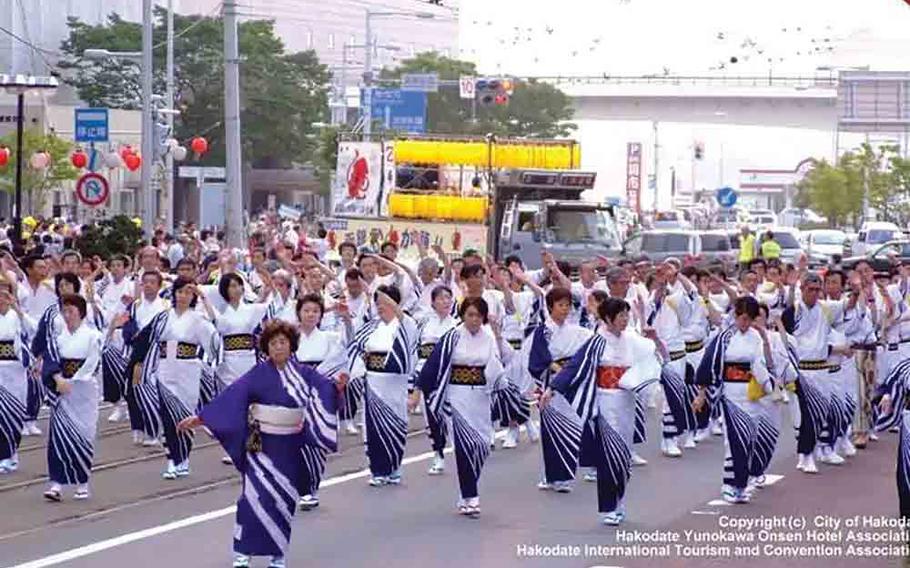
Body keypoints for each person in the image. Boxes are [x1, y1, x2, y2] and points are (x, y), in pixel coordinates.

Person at [177, 320, 339, 568]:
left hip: (289, 445)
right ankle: (243, 551)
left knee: (283, 500)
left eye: (283, 342)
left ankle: (278, 554)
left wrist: (338, 387)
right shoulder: (258, 375)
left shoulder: (306, 375)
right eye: (273, 343)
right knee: (252, 498)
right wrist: (201, 418)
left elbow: (326, 391)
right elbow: (232, 398)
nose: (278, 348)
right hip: (261, 445)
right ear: (266, 347)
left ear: (291, 345)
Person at [544, 298, 662, 525]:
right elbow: (574, 367)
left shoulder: (633, 340)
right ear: (608, 318)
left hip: (627, 401)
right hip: (606, 402)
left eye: (627, 315)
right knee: (609, 455)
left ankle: (619, 501)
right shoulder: (597, 342)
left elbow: (650, 359)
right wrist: (553, 388)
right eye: (621, 316)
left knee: (623, 455)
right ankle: (608, 508)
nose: (625, 320)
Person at [414, 296, 507, 516]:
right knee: (465, 445)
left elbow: (500, 362)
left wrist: (499, 336)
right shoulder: (453, 336)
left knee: (482, 445)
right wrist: (417, 391)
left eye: (478, 315)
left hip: (481, 397)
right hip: (458, 396)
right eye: (470, 315)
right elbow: (432, 366)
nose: (474, 320)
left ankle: (467, 491)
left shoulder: (489, 338)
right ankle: (471, 496)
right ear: (463, 315)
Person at [128, 277, 217, 480]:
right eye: (179, 291)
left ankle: (184, 459)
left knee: (184, 414)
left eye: (188, 292)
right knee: (167, 414)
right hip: (165, 368)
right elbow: (144, 340)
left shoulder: (198, 319)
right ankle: (171, 460)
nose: (183, 296)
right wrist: (139, 364)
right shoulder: (163, 317)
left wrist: (204, 297)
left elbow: (213, 337)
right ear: (174, 293)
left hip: (188, 369)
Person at [694, 296, 776, 504]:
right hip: (731, 393)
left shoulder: (757, 337)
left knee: (749, 440)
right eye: (741, 318)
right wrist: (702, 394)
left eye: (749, 319)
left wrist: (765, 339)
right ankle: (729, 484)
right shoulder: (725, 337)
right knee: (734, 441)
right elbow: (708, 366)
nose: (744, 323)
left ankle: (741, 485)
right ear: (736, 316)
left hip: (753, 393)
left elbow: (767, 363)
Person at [346, 285, 418, 486]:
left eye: (384, 303)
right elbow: (356, 348)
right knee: (373, 427)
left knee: (395, 424)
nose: (380, 307)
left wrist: (414, 391)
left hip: (395, 383)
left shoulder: (406, 324)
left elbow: (410, 355)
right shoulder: (371, 327)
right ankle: (377, 470)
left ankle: (394, 467)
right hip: (374, 382)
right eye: (377, 303)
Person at [526, 287, 593, 493]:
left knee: (572, 427)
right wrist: (560, 370)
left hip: (571, 382)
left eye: (567, 305)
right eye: (560, 305)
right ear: (550, 307)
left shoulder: (578, 331)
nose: (565, 309)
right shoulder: (543, 331)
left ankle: (562, 477)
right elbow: (540, 358)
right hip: (552, 381)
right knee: (553, 430)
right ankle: (551, 474)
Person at [41, 294, 103, 501]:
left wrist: (74, 381)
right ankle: (56, 483)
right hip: (62, 392)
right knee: (58, 437)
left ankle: (82, 482)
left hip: (84, 391)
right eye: (64, 311)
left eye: (71, 311)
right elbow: (50, 362)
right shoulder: (58, 339)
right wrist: (58, 379)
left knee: (83, 435)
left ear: (81, 312)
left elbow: (92, 362)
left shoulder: (92, 336)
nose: (67, 315)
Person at [293, 293, 350, 510]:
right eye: (306, 310)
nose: (310, 315)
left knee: (316, 443)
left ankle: (312, 487)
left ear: (321, 314)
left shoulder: (329, 338)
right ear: (299, 312)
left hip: (321, 394)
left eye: (315, 311)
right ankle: (303, 490)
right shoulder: (290, 338)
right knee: (296, 442)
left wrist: (346, 319)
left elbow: (344, 351)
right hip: (296, 394)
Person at [414, 285, 458, 475]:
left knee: (452, 415)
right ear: (432, 302)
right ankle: (438, 454)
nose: (445, 302)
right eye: (440, 298)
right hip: (427, 376)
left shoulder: (457, 324)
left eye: (448, 298)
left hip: (449, 378)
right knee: (430, 416)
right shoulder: (424, 325)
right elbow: (416, 353)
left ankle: (461, 451)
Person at [0, 277, 34, 473]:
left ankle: (12, 454)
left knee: (12, 413)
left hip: (14, 371)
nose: (2, 298)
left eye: (6, 294)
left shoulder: (18, 316)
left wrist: (19, 311)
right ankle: (3, 455)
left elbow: (34, 331)